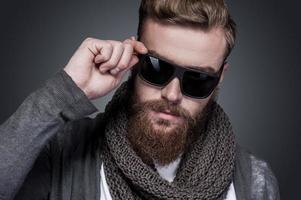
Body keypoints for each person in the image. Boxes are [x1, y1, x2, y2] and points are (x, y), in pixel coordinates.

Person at [0, 0, 280, 199]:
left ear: (220, 78)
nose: (172, 95)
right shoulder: (64, 152)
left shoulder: (255, 181)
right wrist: (65, 90)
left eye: (197, 79)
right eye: (156, 68)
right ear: (134, 57)